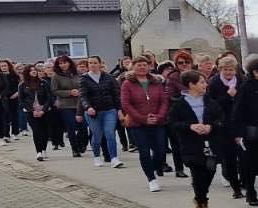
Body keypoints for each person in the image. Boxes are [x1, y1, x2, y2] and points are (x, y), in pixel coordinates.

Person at [169, 70, 223, 208]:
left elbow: (220, 119)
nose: (205, 84)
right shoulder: (179, 103)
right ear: (191, 85)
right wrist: (190, 126)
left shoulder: (210, 101)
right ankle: (203, 203)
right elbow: (172, 124)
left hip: (210, 143)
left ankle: (199, 195)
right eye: (201, 82)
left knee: (210, 170)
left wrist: (211, 127)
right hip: (191, 145)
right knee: (198, 172)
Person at [120, 55, 171, 192]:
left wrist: (159, 116)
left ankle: (155, 166)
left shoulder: (156, 82)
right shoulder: (127, 83)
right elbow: (126, 104)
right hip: (138, 124)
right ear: (133, 66)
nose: (142, 67)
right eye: (139, 65)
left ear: (149, 66)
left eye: (144, 65)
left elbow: (164, 101)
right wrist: (142, 118)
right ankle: (151, 178)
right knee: (144, 152)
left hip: (157, 122)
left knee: (160, 150)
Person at [233, 56, 258, 208]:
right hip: (252, 132)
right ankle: (250, 191)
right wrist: (238, 133)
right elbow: (237, 112)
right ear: (256, 72)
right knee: (250, 164)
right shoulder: (246, 87)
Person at [207, 55, 245, 197]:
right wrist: (228, 96)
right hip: (223, 126)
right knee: (229, 159)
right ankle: (236, 188)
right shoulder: (214, 83)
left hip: (239, 123)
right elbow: (212, 105)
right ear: (220, 70)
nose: (228, 73)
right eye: (225, 70)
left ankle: (245, 183)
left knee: (243, 156)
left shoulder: (241, 81)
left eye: (231, 70)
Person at [80, 55, 123, 167]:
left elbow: (116, 95)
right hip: (93, 112)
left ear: (100, 64)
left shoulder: (109, 78)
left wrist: (119, 109)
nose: (93, 65)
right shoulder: (84, 79)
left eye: (95, 63)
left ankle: (114, 158)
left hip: (109, 110)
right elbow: (83, 96)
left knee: (110, 133)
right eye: (90, 63)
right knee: (97, 134)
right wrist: (88, 107)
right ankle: (97, 156)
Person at [162, 50, 195, 178]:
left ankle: (193, 166)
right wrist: (185, 95)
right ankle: (179, 168)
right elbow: (170, 95)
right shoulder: (173, 77)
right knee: (176, 143)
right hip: (177, 113)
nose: (184, 64)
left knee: (192, 142)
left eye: (187, 62)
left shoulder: (195, 75)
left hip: (194, 112)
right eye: (180, 62)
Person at [17, 65, 52, 160]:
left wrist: (43, 110)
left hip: (44, 110)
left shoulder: (43, 83)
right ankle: (39, 152)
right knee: (36, 130)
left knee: (44, 131)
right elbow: (21, 100)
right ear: (27, 72)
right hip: (31, 112)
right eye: (31, 70)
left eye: (35, 70)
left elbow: (49, 97)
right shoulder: (22, 85)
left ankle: (44, 149)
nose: (33, 72)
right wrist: (32, 111)